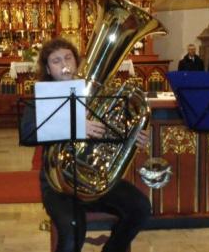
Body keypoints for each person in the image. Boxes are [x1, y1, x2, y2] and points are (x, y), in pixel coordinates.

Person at [20, 38, 151, 252]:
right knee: (73, 229)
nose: (64, 64)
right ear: (48, 69)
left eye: (68, 58)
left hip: (95, 179)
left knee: (141, 208)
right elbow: (27, 133)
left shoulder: (98, 93)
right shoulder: (42, 96)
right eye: (56, 61)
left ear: (77, 62)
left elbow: (114, 129)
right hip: (58, 184)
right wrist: (76, 126)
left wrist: (134, 138)